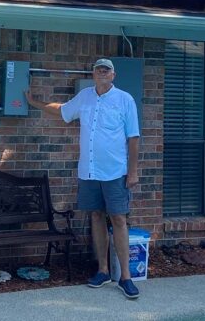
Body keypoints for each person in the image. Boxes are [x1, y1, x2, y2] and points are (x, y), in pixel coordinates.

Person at [24, 58, 141, 299]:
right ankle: (103, 270)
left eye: (106, 69)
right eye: (98, 69)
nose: (102, 72)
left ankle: (126, 277)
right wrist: (35, 102)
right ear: (93, 74)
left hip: (115, 171)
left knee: (118, 219)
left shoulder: (125, 100)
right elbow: (62, 110)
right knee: (96, 216)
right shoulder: (85, 97)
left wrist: (133, 171)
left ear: (113, 75)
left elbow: (133, 137)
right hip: (89, 170)